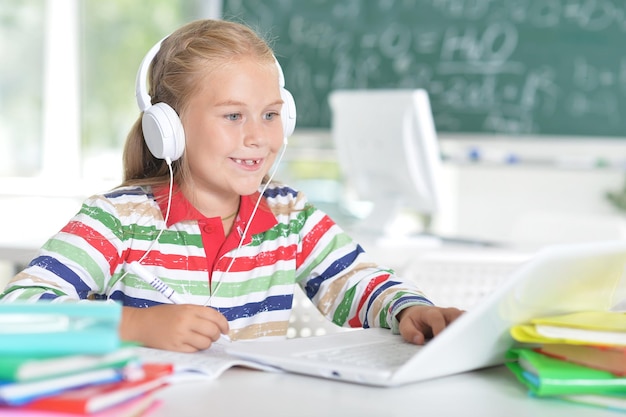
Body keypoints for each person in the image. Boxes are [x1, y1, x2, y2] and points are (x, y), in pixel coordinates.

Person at [0, 19, 463, 353]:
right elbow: (16, 312)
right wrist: (132, 325)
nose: (258, 136)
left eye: (270, 114)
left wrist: (408, 310)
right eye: (233, 115)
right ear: (169, 128)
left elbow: (357, 283)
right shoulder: (117, 221)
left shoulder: (289, 216)